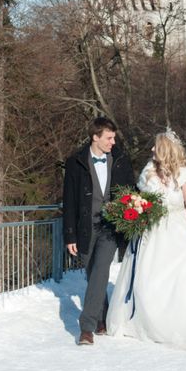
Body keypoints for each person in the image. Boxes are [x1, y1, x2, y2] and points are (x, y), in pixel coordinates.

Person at [107, 130, 186, 349]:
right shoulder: (148, 172)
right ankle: (150, 322)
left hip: (178, 228)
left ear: (165, 149)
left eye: (155, 146)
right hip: (153, 231)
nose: (152, 149)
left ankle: (184, 323)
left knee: (185, 277)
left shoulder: (185, 175)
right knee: (150, 278)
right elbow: (142, 199)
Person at [63, 116, 135, 346]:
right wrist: (70, 235)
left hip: (110, 228)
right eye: (109, 138)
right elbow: (70, 201)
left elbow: (130, 192)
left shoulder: (121, 160)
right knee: (93, 274)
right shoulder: (75, 162)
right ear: (95, 137)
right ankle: (102, 318)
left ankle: (87, 327)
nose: (113, 142)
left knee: (101, 269)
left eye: (113, 137)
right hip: (84, 228)